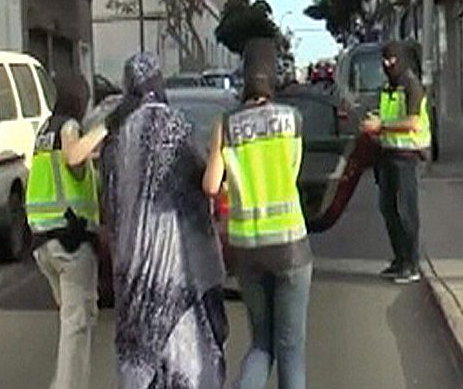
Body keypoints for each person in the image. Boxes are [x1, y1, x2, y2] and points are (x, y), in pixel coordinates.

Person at [102, 52, 227, 389]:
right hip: (177, 265)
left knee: (141, 355)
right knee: (184, 353)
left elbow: (109, 204)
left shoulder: (116, 138)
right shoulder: (174, 126)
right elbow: (202, 184)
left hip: (132, 265)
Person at [203, 38, 311, 389]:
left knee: (262, 343)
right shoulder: (293, 120)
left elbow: (211, 185)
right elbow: (292, 170)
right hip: (290, 246)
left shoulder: (226, 124)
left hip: (247, 248)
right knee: (290, 348)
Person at [26, 72, 107, 389]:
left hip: (43, 241)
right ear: (78, 100)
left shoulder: (46, 131)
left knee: (72, 319)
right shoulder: (70, 127)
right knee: (78, 324)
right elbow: (74, 157)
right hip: (69, 238)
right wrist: (105, 127)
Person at [361, 40, 431, 283]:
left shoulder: (412, 85)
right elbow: (388, 117)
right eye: (384, 60)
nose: (387, 64)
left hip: (407, 156)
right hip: (387, 154)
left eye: (392, 59)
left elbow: (412, 122)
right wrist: (375, 123)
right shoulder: (387, 88)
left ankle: (411, 264)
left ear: (401, 60)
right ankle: (400, 260)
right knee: (388, 209)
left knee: (405, 212)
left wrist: (381, 125)